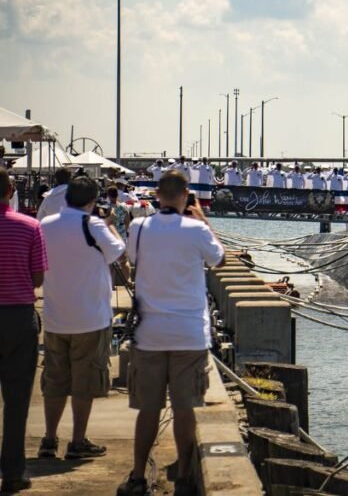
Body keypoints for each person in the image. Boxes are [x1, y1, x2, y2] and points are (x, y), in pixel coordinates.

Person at [118, 171, 225, 496]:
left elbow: (131, 258)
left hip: (149, 333)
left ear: (157, 195)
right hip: (189, 333)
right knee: (184, 409)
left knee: (148, 409)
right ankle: (185, 477)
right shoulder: (196, 230)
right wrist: (202, 218)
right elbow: (218, 259)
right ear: (185, 195)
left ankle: (138, 476)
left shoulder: (139, 228)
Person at [38, 176, 125, 461]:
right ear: (91, 200)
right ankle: (77, 441)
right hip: (90, 317)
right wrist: (110, 222)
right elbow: (117, 252)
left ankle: (49, 439)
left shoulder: (44, 226)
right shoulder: (94, 225)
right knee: (84, 383)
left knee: (54, 381)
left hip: (54, 317)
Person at [0, 167, 48, 493]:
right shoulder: (30, 227)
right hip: (17, 318)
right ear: (11, 189)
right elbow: (38, 279)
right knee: (16, 402)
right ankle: (13, 473)